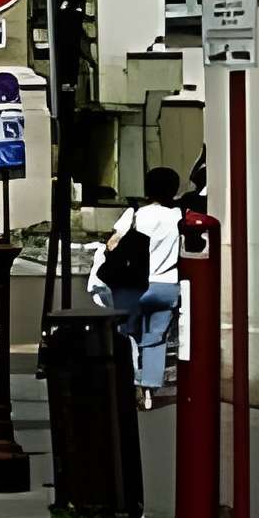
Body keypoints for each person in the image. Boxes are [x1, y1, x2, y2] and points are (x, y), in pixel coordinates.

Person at [92, 166, 186, 409]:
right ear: (174, 190)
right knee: (155, 338)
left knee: (128, 335)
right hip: (167, 286)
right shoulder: (179, 215)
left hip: (134, 286)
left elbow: (113, 244)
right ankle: (149, 392)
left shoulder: (134, 215)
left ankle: (131, 383)